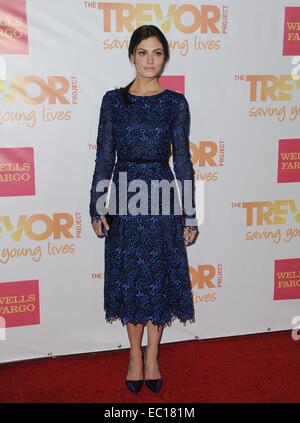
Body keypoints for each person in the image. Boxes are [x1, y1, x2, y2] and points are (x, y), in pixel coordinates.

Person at [89, 25, 199, 394]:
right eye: (142, 52)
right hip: (124, 195)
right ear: (131, 55)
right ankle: (134, 355)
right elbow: (105, 156)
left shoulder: (175, 102)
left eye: (157, 53)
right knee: (131, 279)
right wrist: (96, 205)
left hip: (162, 197)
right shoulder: (112, 101)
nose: (150, 60)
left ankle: (153, 354)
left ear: (165, 57)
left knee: (159, 278)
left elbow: (182, 160)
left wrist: (190, 214)